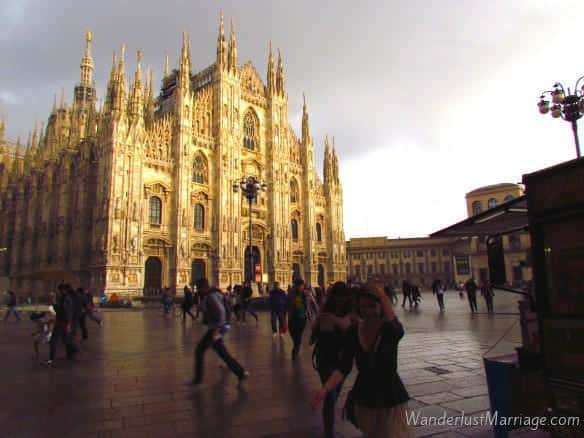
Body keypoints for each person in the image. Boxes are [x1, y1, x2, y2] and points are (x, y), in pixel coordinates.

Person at [312, 282, 414, 438]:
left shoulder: (389, 331)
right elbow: (343, 366)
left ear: (381, 306)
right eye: (364, 307)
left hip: (390, 395)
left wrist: (380, 294)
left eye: (372, 306)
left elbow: (395, 326)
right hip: (365, 395)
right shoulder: (354, 332)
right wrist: (325, 389)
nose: (368, 311)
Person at [310, 281, 357, 438]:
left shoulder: (352, 311)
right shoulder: (326, 308)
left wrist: (333, 319)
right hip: (325, 357)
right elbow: (317, 331)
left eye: (342, 297)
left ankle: (328, 424)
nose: (339, 300)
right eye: (337, 296)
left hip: (342, 359)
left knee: (334, 393)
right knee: (330, 395)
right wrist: (320, 321)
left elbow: (350, 330)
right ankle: (329, 432)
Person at [191, 278, 249, 386]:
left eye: (198, 288)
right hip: (221, 326)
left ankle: (198, 380)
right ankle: (240, 372)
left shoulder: (211, 296)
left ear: (202, 287)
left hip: (216, 328)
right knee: (220, 352)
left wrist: (216, 330)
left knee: (202, 350)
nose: (197, 290)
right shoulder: (214, 293)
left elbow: (220, 312)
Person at [288, 278, 308, 360]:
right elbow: (287, 304)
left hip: (301, 318)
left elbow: (310, 306)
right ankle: (296, 347)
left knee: (298, 336)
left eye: (302, 285)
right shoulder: (291, 294)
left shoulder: (305, 294)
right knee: (294, 335)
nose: (301, 287)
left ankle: (295, 351)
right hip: (292, 317)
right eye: (300, 286)